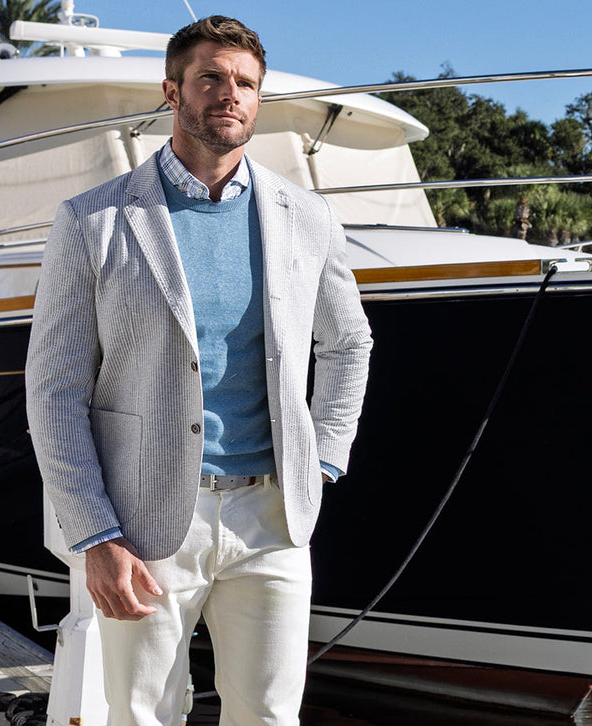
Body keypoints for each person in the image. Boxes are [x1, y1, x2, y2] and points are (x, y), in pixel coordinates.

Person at [25, 16, 373, 726]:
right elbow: (54, 389)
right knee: (143, 716)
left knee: (271, 717)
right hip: (144, 524)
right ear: (172, 90)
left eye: (245, 83)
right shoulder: (94, 221)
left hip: (272, 518)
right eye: (211, 77)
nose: (230, 94)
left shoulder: (307, 217)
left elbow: (350, 345)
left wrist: (324, 460)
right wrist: (94, 535)